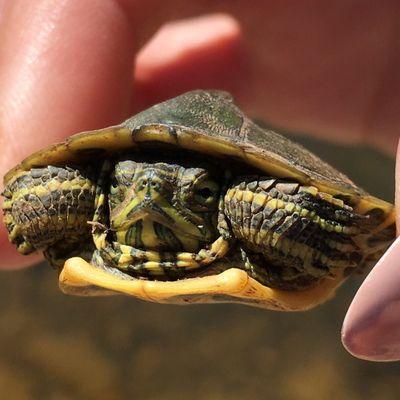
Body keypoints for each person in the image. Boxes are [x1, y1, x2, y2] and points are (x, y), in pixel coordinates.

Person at [0, 1, 398, 361]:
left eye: (199, 194)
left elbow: (284, 210)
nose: (147, 194)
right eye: (123, 188)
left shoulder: (242, 205)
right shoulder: (91, 205)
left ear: (217, 203)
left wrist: (347, 236)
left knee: (262, 210)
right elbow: (35, 193)